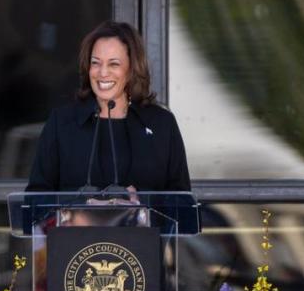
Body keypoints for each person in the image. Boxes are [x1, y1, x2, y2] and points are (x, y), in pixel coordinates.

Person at [26, 20, 191, 196]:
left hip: (143, 224)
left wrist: (140, 200)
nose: (103, 72)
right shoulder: (62, 122)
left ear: (131, 69)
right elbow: (37, 197)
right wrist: (81, 208)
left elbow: (182, 204)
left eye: (114, 64)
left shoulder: (161, 124)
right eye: (96, 63)